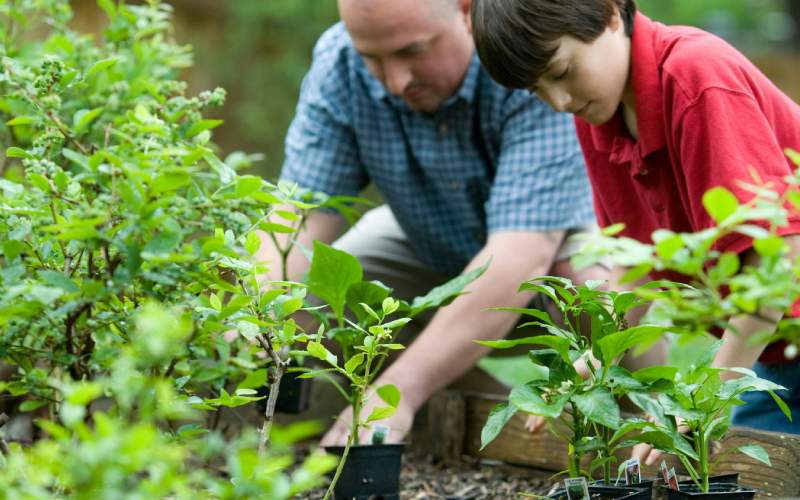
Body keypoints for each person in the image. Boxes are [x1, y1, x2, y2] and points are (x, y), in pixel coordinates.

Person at [257, 0, 607, 446]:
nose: (395, 81)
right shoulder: (340, 63)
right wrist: (252, 316)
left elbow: (519, 257)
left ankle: (645, 435)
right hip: (427, 241)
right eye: (373, 58)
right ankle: (470, 418)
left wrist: (398, 392)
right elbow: (298, 217)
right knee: (320, 296)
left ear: (466, 10)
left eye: (413, 51)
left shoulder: (524, 51)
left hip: (554, 241)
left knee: (600, 297)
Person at [471, 0, 800, 458]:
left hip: (776, 329)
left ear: (610, 12)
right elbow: (636, 262)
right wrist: (596, 358)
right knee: (743, 469)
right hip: (776, 352)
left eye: (562, 71)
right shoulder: (599, 117)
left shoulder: (695, 76)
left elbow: (779, 256)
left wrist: (702, 398)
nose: (560, 102)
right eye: (537, 90)